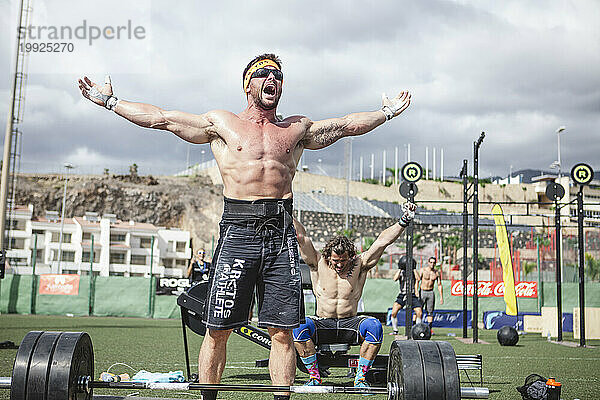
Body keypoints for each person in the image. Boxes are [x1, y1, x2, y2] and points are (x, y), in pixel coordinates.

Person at [78, 53, 411, 400]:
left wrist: (385, 112)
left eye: (279, 76)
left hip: (280, 234)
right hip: (239, 231)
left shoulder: (296, 128)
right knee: (218, 329)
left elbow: (344, 125)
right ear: (247, 84)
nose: (274, 80)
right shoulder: (221, 123)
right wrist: (110, 101)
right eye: (266, 74)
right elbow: (162, 118)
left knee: (282, 332)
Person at [292, 202, 416, 388]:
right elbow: (302, 237)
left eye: (343, 261)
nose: (340, 265)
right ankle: (315, 377)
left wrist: (404, 220)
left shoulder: (360, 263)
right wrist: (286, 211)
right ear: (328, 256)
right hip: (323, 323)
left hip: (350, 323)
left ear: (351, 256)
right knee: (299, 326)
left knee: (374, 326)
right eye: (336, 261)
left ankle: (360, 378)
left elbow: (382, 241)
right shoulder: (317, 262)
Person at [390, 255, 423, 335]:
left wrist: (414, 268)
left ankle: (418, 330)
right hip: (402, 294)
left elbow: (418, 279)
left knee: (419, 312)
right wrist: (400, 268)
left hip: (412, 295)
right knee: (394, 312)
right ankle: (395, 330)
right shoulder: (401, 272)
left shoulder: (413, 272)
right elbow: (395, 279)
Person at [416, 256, 444, 327]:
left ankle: (429, 328)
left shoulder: (436, 273)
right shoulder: (423, 270)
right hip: (422, 291)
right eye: (431, 262)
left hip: (431, 292)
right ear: (428, 263)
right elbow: (417, 281)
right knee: (418, 310)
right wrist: (416, 291)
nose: (432, 264)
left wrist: (441, 297)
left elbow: (439, 285)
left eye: (434, 263)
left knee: (430, 311)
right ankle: (415, 326)